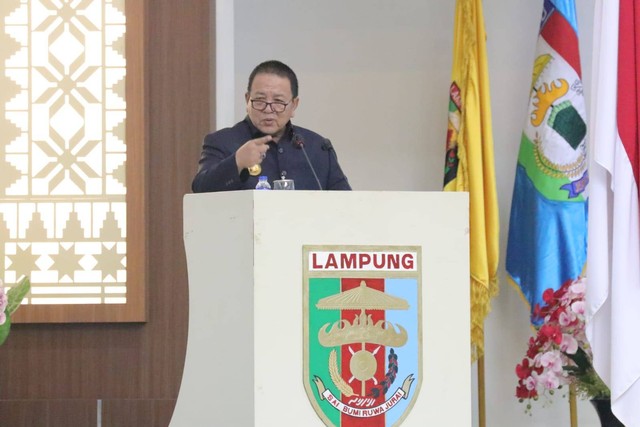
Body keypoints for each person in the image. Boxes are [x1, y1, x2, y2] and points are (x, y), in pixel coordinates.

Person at [192, 60, 351, 192]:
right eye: (260, 100)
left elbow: (347, 203)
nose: (268, 109)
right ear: (247, 100)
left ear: (294, 105)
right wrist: (237, 162)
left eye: (278, 102)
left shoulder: (318, 147)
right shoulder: (222, 141)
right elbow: (200, 189)